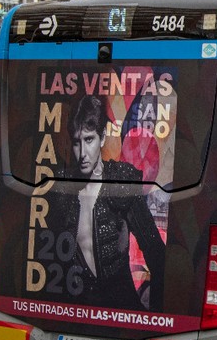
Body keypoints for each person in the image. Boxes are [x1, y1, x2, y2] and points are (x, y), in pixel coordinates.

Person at [52, 94, 165, 311]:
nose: (82, 153)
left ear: (102, 138)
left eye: (89, 140)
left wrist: (156, 315)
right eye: (76, 142)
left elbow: (156, 253)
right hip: (79, 312)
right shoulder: (63, 191)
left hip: (123, 310)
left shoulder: (120, 181)